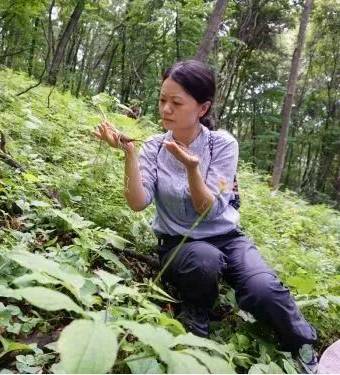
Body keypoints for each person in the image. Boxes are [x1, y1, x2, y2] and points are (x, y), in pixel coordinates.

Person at [93, 59, 318, 373]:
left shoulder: (222, 144)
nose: (165, 109)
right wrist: (129, 154)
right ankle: (197, 312)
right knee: (204, 260)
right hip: (179, 243)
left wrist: (192, 168)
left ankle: (300, 341)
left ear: (202, 108)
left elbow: (210, 209)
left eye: (176, 102)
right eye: (162, 100)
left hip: (227, 238)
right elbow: (138, 202)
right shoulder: (154, 147)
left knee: (263, 288)